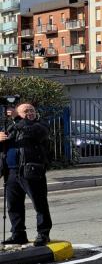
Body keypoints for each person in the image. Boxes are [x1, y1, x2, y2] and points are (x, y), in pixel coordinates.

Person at [1, 103, 53, 246]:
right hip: (11, 172)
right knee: (14, 205)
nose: (30, 112)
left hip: (31, 171)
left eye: (32, 110)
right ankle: (18, 234)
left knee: (39, 203)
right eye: (26, 111)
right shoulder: (12, 127)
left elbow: (35, 132)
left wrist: (18, 118)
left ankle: (43, 234)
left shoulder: (39, 125)